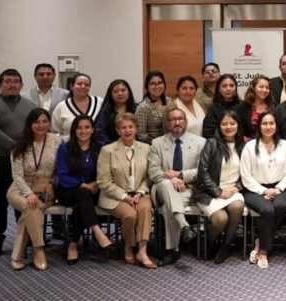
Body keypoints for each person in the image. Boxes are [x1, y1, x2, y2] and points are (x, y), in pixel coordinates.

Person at [0, 69, 37, 259]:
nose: (12, 85)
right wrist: (16, 148)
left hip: (25, 161)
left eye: (16, 81)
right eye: (7, 81)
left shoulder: (29, 105)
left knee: (22, 201)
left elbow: (35, 129)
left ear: (21, 85)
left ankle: (24, 239)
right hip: (1, 160)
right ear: (0, 84)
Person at [96, 113, 156, 269]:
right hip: (114, 196)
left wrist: (140, 193)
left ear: (136, 129)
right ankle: (129, 246)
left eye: (131, 127)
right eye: (123, 127)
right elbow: (103, 181)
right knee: (130, 215)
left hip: (139, 193)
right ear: (117, 130)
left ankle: (142, 250)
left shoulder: (146, 148)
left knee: (145, 209)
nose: (127, 130)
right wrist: (124, 197)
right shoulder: (107, 150)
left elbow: (149, 176)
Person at [148, 107, 207, 266]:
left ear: (186, 122)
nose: (177, 122)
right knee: (167, 186)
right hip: (160, 187)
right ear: (167, 123)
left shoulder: (200, 142)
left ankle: (172, 250)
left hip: (187, 188)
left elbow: (202, 171)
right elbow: (153, 171)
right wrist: (169, 178)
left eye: (180, 119)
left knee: (170, 203)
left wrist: (181, 175)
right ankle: (184, 226)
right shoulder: (157, 143)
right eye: (173, 119)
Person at [5, 109, 62, 270]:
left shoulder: (57, 141)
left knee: (30, 211)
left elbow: (60, 169)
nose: (41, 125)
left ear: (49, 123)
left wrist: (52, 183)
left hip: (45, 189)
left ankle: (17, 256)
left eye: (44, 121)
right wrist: (28, 193)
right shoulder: (19, 145)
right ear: (30, 124)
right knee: (31, 206)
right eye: (36, 122)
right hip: (20, 189)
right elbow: (17, 175)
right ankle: (39, 250)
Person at [55, 115, 113, 264]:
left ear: (93, 130)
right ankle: (97, 231)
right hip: (68, 190)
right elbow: (62, 174)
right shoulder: (65, 148)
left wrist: (96, 184)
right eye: (79, 128)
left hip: (94, 189)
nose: (83, 131)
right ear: (74, 130)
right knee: (83, 194)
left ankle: (73, 244)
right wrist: (81, 184)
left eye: (87, 127)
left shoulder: (100, 148)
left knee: (82, 201)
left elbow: (106, 172)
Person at [241, 112, 286, 269]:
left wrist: (278, 188)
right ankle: (264, 251)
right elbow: (245, 175)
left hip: (280, 187)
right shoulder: (250, 147)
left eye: (271, 123)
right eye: (264, 123)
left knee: (280, 206)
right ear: (259, 126)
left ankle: (260, 243)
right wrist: (264, 191)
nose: (268, 127)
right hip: (254, 189)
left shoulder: (284, 145)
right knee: (267, 209)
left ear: (276, 126)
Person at [193, 111, 246, 264]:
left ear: (238, 125)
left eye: (232, 123)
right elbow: (202, 172)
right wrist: (218, 191)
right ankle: (210, 243)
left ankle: (226, 246)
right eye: (224, 124)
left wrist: (237, 187)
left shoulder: (243, 145)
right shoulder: (211, 143)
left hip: (232, 190)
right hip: (209, 192)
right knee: (220, 219)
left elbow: (248, 173)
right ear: (219, 126)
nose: (228, 127)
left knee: (237, 206)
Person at [52, 73, 103, 141]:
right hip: (69, 147)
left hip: (96, 147)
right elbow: (55, 132)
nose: (83, 86)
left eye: (87, 85)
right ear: (72, 86)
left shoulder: (100, 102)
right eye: (79, 84)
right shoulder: (61, 106)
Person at [201, 74, 241, 140]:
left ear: (236, 88)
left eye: (231, 86)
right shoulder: (213, 108)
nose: (228, 89)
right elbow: (207, 133)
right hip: (219, 146)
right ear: (219, 89)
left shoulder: (242, 106)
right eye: (224, 86)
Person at [96, 79, 136, 145]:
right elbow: (100, 133)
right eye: (115, 91)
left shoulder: (136, 109)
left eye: (123, 90)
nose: (120, 93)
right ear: (110, 94)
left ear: (129, 92)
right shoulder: (105, 112)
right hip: (111, 149)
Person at [234, 75, 274, 140]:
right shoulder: (242, 107)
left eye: (267, 88)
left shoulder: (273, 107)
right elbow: (236, 129)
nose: (264, 90)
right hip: (246, 145)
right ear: (253, 88)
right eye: (261, 87)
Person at [135, 70, 168, 143]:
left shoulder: (169, 102)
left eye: (160, 83)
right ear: (147, 87)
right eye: (152, 84)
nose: (157, 86)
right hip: (151, 146)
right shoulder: (143, 107)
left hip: (170, 144)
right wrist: (158, 143)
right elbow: (141, 135)